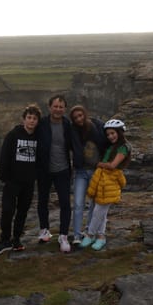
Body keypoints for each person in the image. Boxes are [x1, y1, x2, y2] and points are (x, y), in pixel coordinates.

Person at [0, 104, 43, 255]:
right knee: (7, 211)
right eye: (29, 118)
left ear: (37, 121)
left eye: (34, 118)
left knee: (22, 212)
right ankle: (4, 240)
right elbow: (4, 155)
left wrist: (36, 176)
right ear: (24, 119)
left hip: (28, 182)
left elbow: (40, 158)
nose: (31, 121)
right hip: (12, 181)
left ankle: (16, 239)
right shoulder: (13, 135)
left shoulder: (38, 137)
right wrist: (4, 176)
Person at [82, 118, 130, 251]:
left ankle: (90, 234)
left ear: (120, 132)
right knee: (101, 211)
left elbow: (113, 165)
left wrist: (97, 164)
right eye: (108, 134)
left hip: (110, 182)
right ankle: (101, 237)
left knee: (99, 210)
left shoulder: (123, 147)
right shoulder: (112, 147)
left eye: (113, 133)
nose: (110, 136)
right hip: (102, 181)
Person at [36, 94, 75, 252]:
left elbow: (77, 143)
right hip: (44, 170)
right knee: (42, 201)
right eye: (55, 106)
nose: (58, 109)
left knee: (65, 203)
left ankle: (63, 235)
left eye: (61, 107)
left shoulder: (67, 125)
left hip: (63, 170)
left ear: (65, 109)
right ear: (49, 107)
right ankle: (44, 230)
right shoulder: (42, 124)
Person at [68, 104, 107, 245]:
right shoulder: (72, 131)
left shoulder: (96, 126)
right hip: (80, 172)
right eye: (75, 117)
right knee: (78, 204)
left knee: (94, 204)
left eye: (80, 115)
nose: (79, 119)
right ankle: (77, 235)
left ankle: (90, 232)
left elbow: (108, 140)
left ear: (85, 114)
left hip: (96, 171)